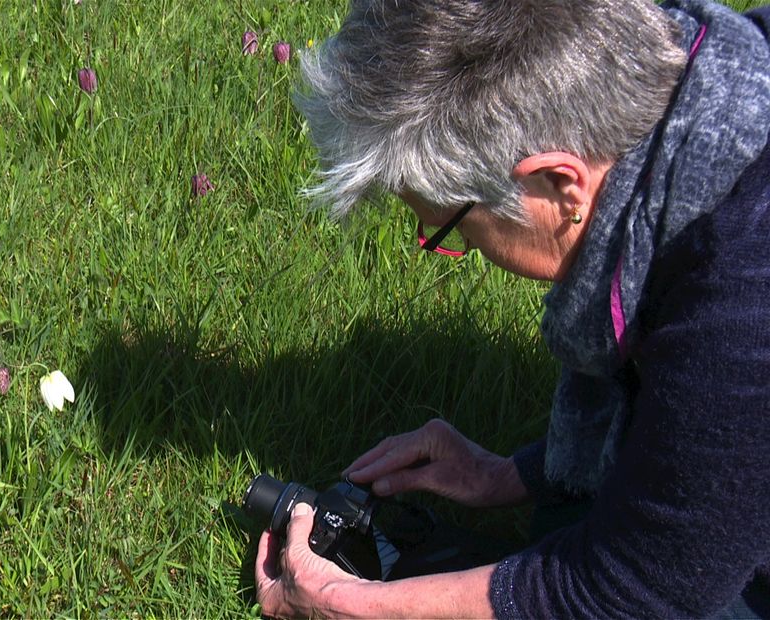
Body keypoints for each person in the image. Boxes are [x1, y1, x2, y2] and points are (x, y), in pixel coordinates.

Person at [253, 0, 770, 617]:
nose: (461, 251)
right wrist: (514, 474)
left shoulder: (740, 314)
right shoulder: (712, 68)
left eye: (453, 229)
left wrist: (349, 603)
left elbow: (639, 589)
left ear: (559, 185)